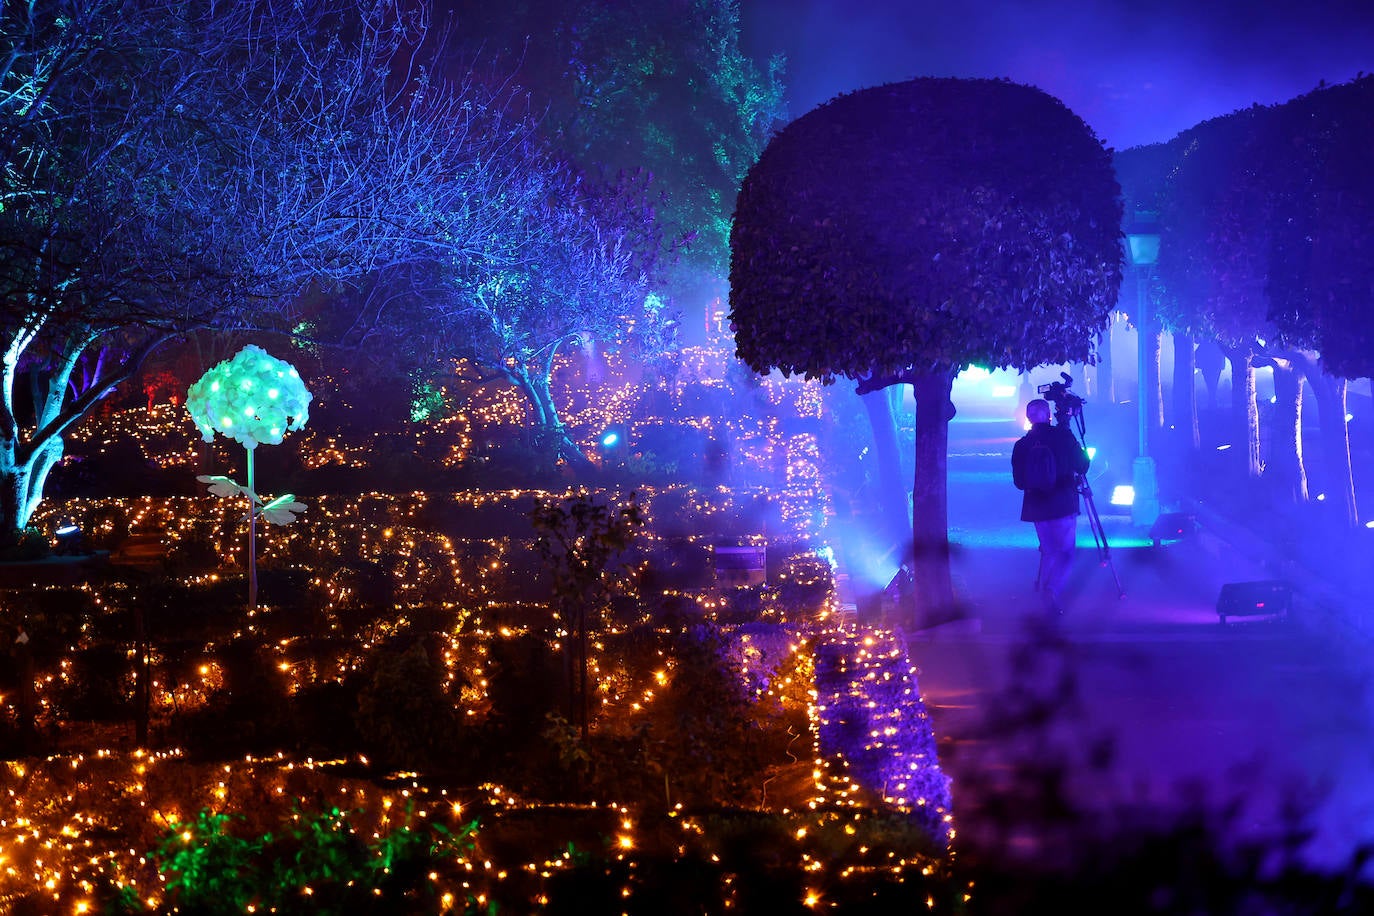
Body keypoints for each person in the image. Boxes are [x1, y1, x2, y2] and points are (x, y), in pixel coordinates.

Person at [1012, 398, 1091, 614]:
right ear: (1049, 416)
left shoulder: (1021, 445)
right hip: (1063, 504)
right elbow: (1083, 465)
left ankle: (1043, 592)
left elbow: (1019, 482)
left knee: (1048, 550)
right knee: (1066, 552)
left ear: (1028, 418)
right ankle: (1052, 591)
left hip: (1037, 507)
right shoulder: (1063, 436)